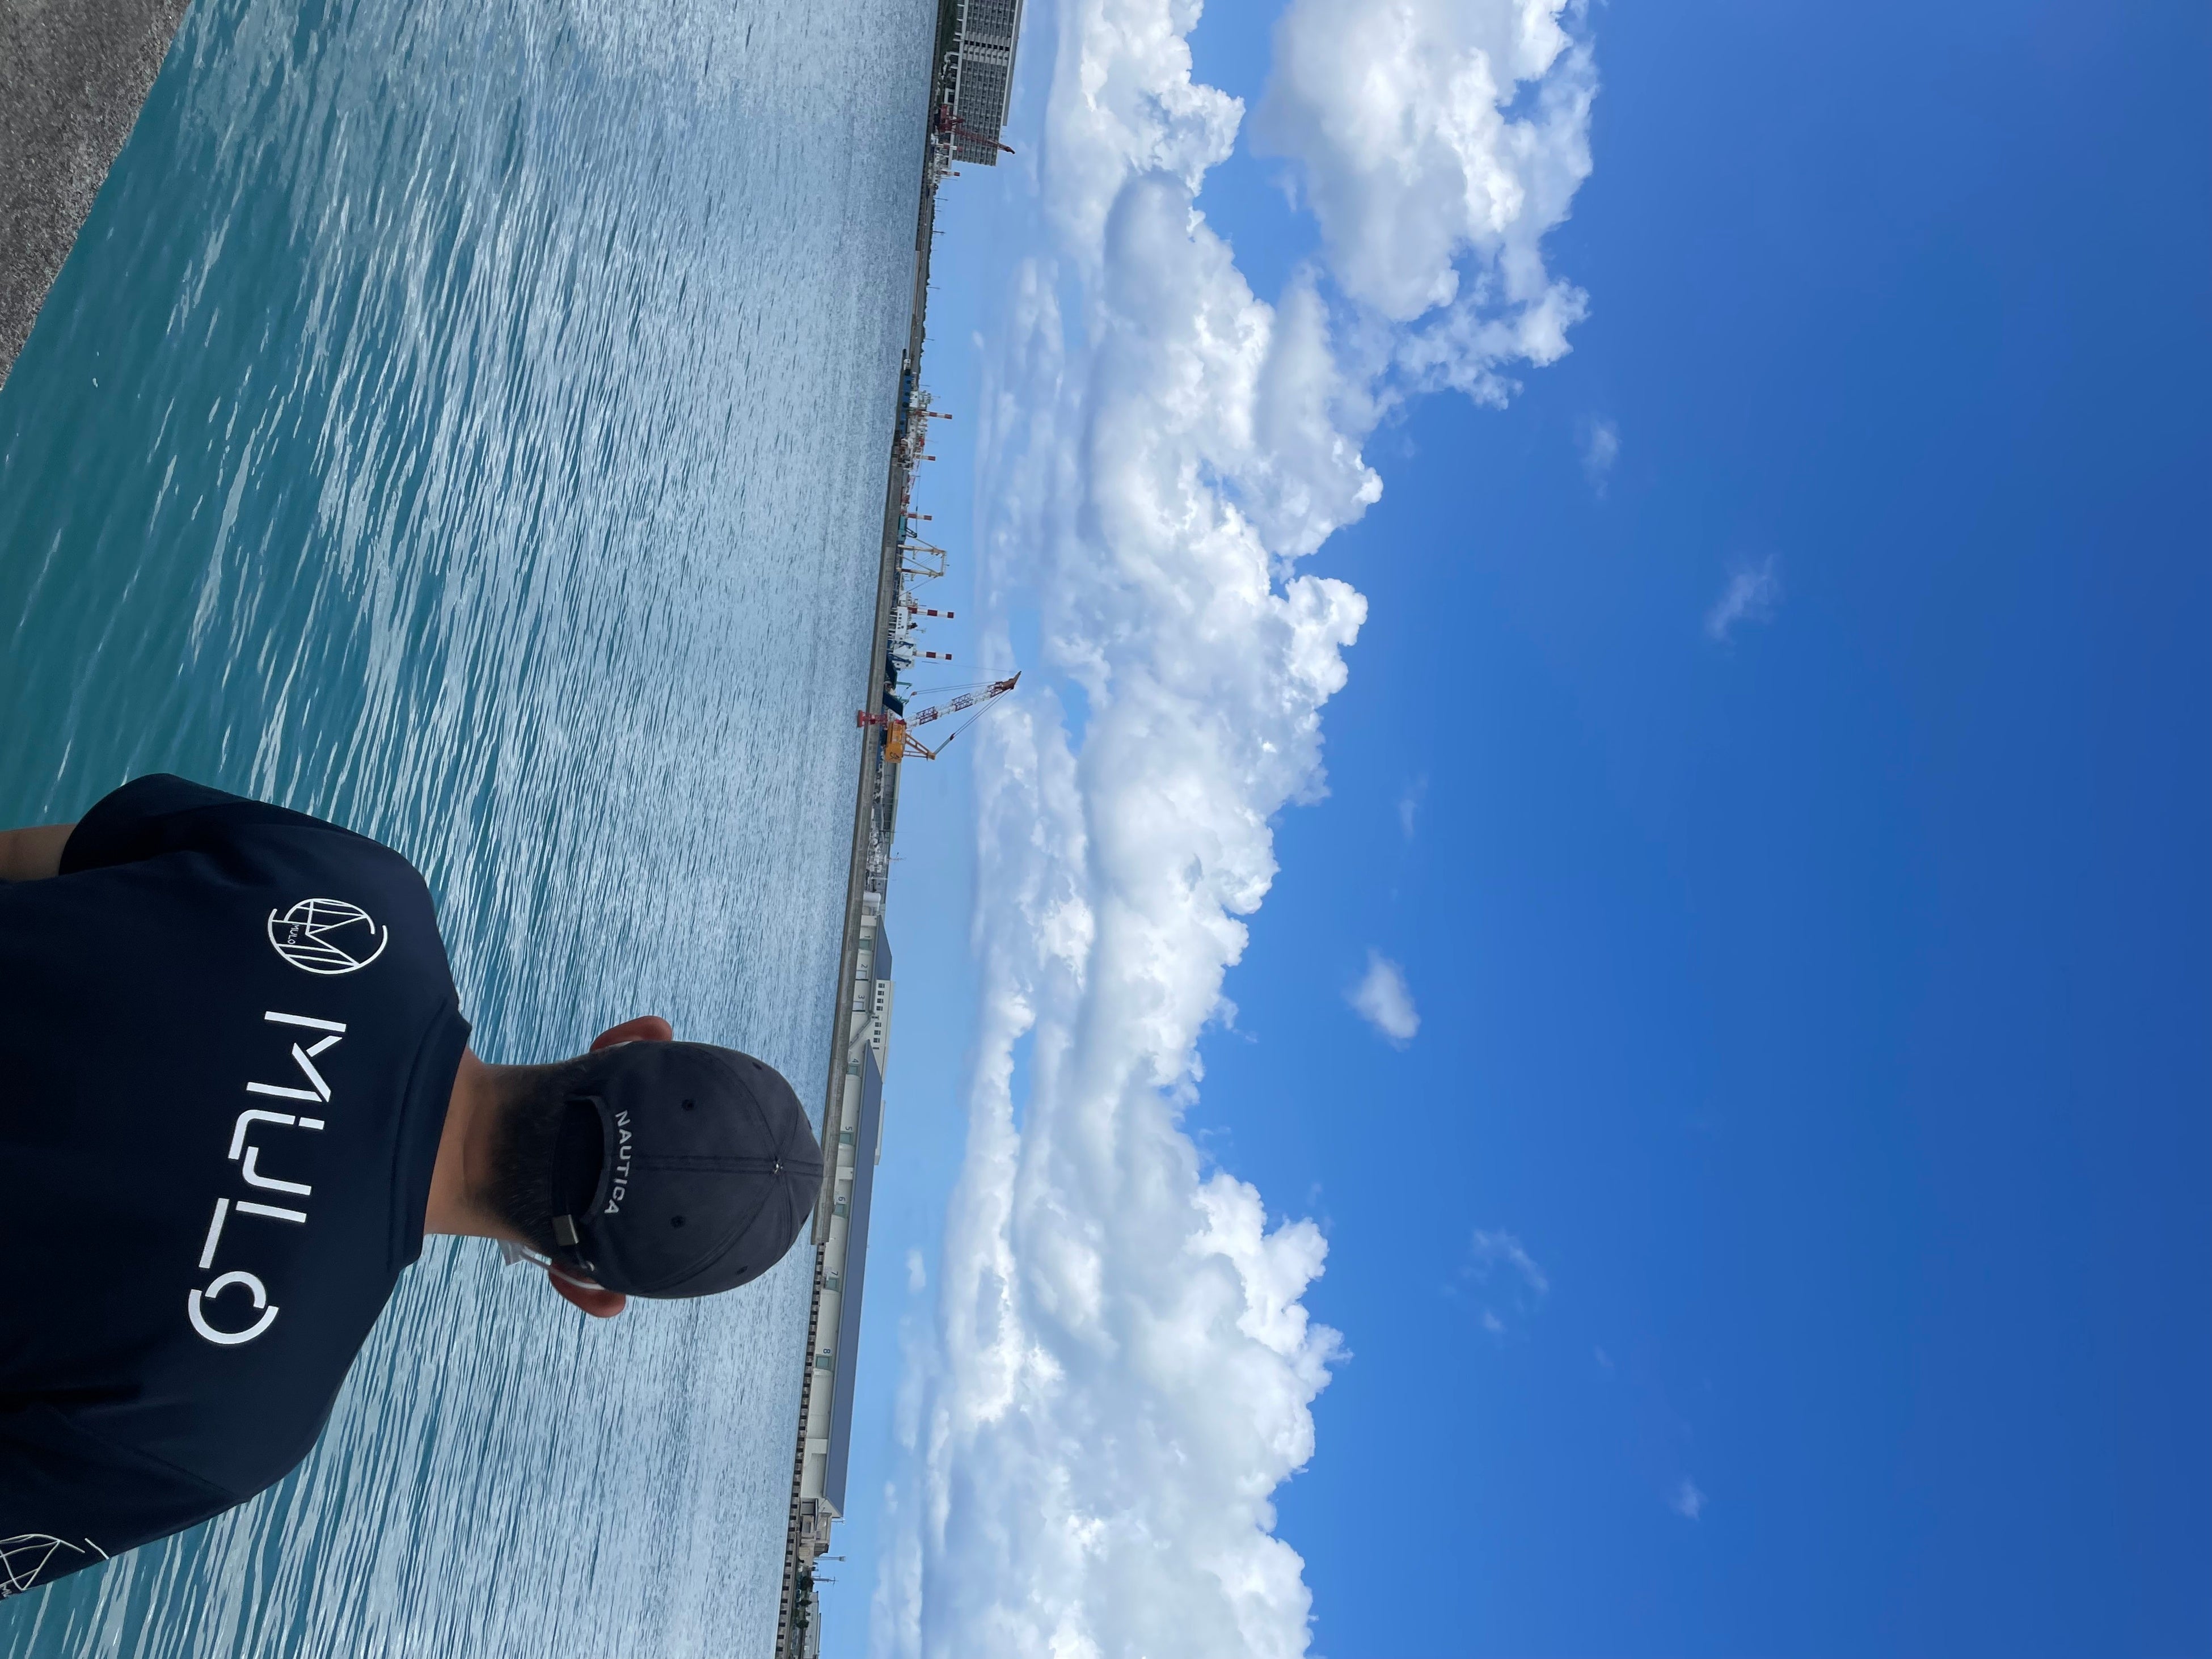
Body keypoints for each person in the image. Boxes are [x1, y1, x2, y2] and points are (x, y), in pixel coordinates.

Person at [0, 775, 821, 1597]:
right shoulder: (236, 1426)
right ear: (586, 1290)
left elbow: (28, 857)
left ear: (628, 1036)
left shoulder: (356, 887)